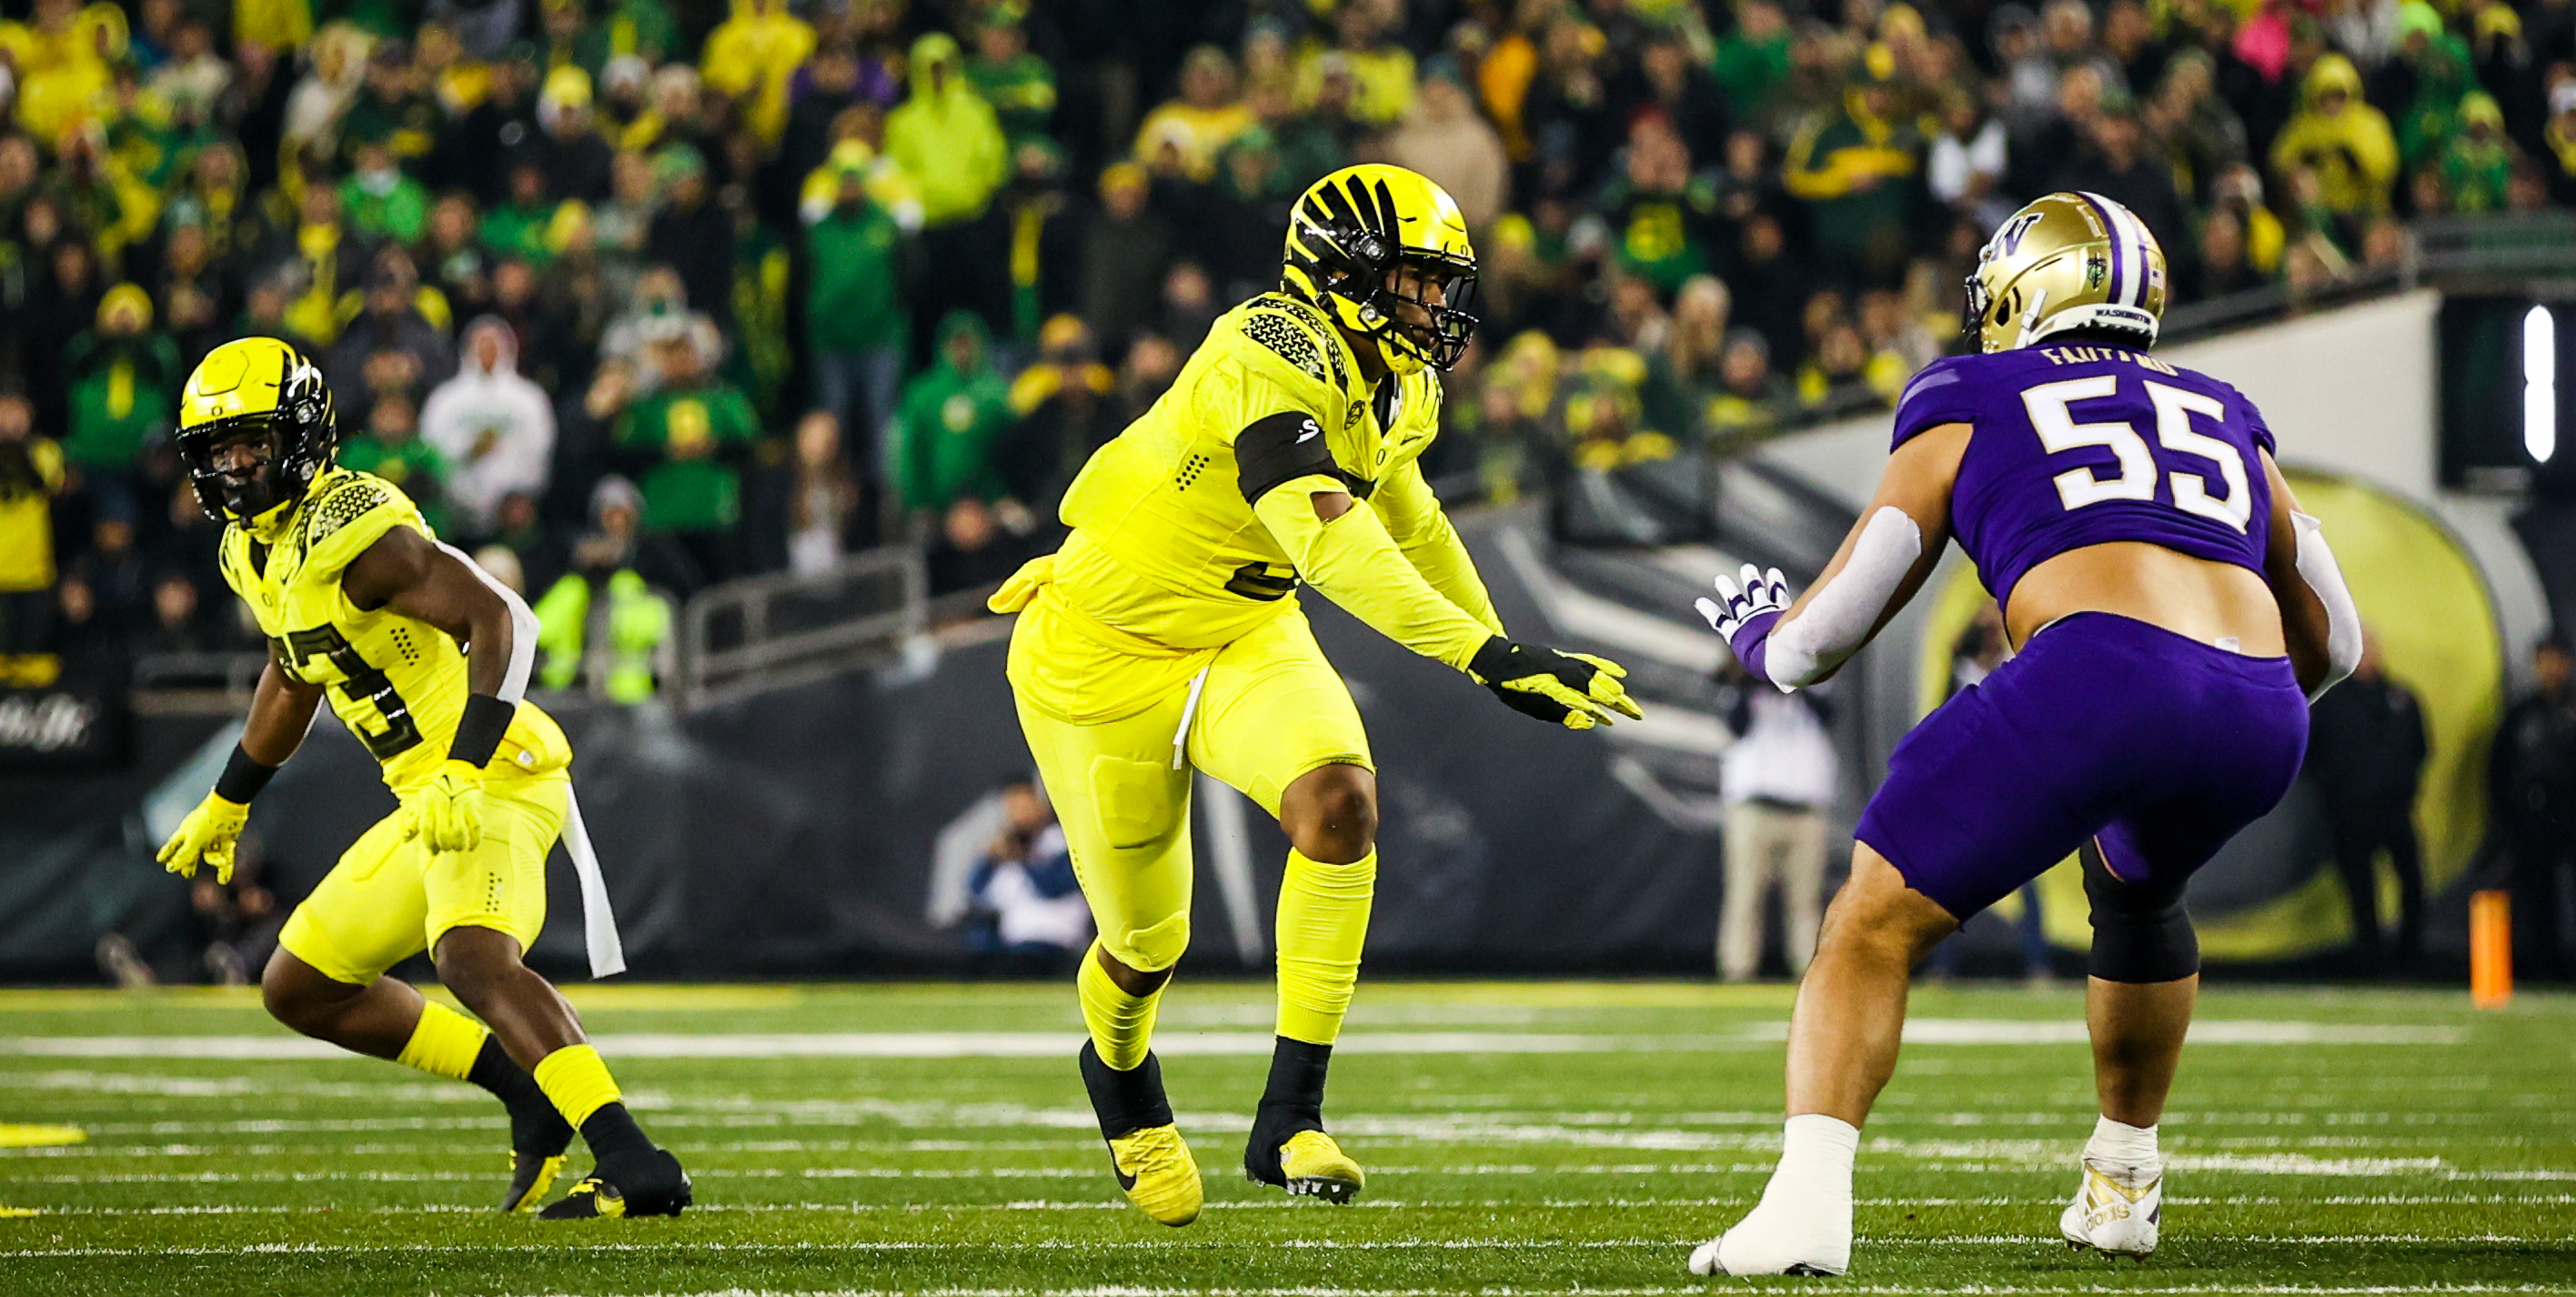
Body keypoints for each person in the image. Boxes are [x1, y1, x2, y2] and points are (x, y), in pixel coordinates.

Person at [1688, 192, 2361, 1275]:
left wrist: (1760, 634)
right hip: (2260, 707)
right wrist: (2210, 702)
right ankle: (2123, 1184)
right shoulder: (2222, 407)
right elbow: (2337, 642)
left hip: (2103, 671)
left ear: (2023, 291)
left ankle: (1807, 1201)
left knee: (1869, 919)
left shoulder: (1973, 390)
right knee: (2139, 892)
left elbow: (1822, 642)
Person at [988, 165, 1639, 1226]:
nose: (1441, 307)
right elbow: (1334, 547)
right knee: (1149, 946)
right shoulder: (1269, 348)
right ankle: (1119, 1074)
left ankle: (1289, 1115)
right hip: (1101, 652)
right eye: (1421, 282)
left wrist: (1503, 644)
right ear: (1345, 276)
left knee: (1339, 802)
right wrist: (1477, 656)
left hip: (1244, 630)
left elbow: (1412, 521)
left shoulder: (1402, 383)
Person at [154, 339, 689, 1220]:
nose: (233, 465)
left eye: (250, 442)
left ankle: (637, 1163)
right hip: (426, 793)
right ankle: (523, 1084)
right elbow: (294, 673)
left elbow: (499, 617)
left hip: (491, 772)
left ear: (300, 434)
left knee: (471, 956)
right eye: (216, 450)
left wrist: (465, 768)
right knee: (300, 983)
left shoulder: (354, 529)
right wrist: (229, 796)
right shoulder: (250, 551)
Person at [2302, 628, 2429, 966]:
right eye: (2363, 648)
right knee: (2361, 889)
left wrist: (2404, 788)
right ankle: (2370, 958)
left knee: (2413, 883)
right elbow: (2312, 756)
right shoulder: (2333, 702)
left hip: (2395, 810)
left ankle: (2410, 956)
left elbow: (2421, 749)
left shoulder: (2401, 698)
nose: (2368, 654)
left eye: (2373, 646)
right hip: (2351, 812)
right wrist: (2336, 792)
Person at [1714, 659, 1836, 983]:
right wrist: (1751, 680)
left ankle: (1809, 973)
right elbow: (1736, 725)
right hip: (1754, 807)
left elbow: (1828, 714)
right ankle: (1737, 971)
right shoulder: (1740, 683)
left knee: (1806, 900)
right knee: (1744, 896)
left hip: (1805, 808)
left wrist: (1790, 678)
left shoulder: (1813, 674)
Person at [420, 318, 557, 538]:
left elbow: (539, 447)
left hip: (512, 510)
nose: (486, 352)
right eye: (480, 345)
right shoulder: (445, 399)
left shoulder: (529, 399)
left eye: (493, 346)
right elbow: (431, 447)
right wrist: (468, 449)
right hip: (456, 510)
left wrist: (518, 492)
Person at [2493, 632, 2576, 981]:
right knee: (2537, 897)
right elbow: (2500, 770)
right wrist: (2510, 817)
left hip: (2572, 813)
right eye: (2544, 660)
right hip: (2535, 819)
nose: (2550, 668)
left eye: (2556, 660)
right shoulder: (2521, 714)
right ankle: (2544, 964)